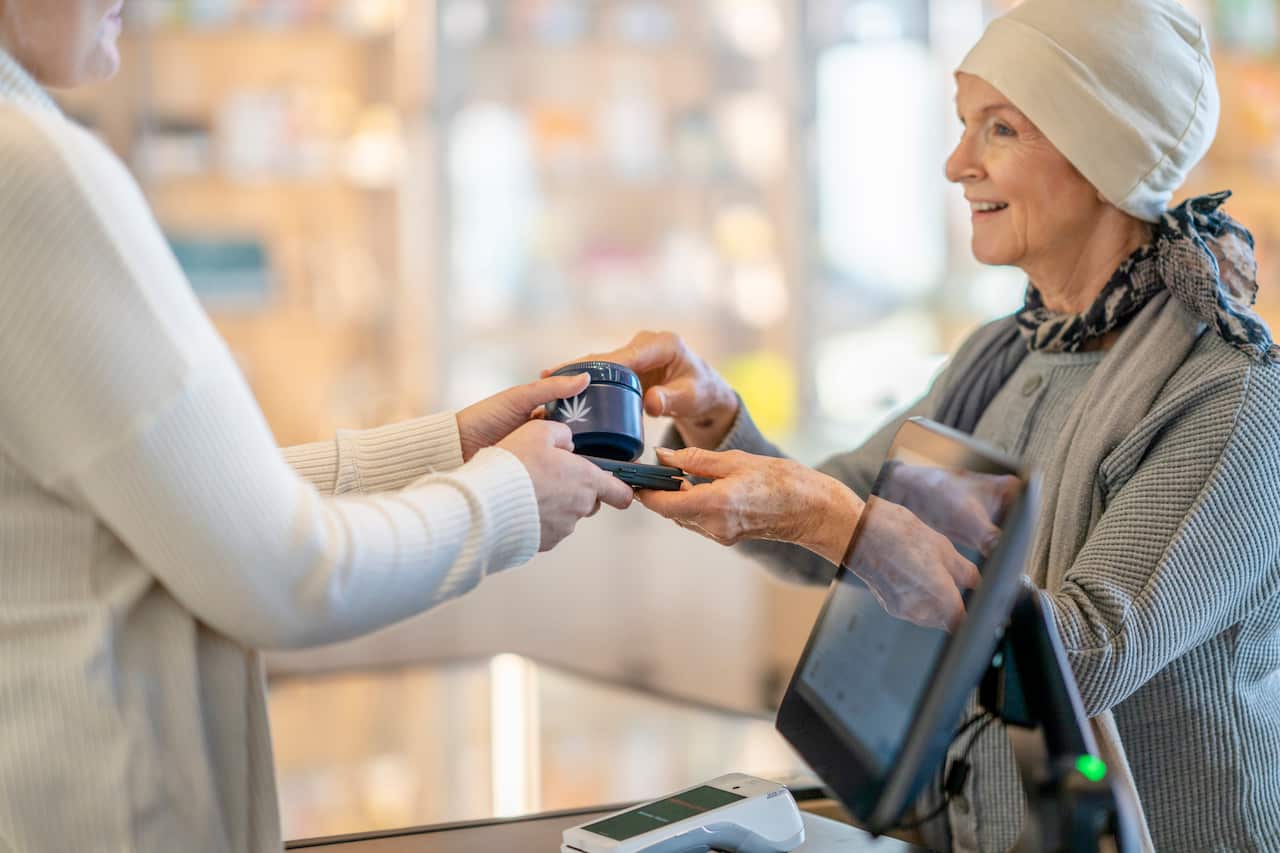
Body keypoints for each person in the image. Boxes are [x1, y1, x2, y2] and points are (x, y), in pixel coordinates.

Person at [569, 0, 1280, 850]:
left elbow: (1081, 659)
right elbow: (831, 524)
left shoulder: (1232, 400)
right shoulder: (1006, 354)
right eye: (962, 125)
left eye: (1000, 129)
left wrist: (836, 522)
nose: (956, 164)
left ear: (1104, 154)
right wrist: (719, 420)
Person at [0, 2, 634, 851]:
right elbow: (288, 573)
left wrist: (448, 448)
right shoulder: (36, 173)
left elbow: (183, 496)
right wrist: (511, 497)